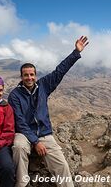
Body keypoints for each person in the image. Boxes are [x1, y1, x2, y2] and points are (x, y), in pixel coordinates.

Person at [8, 36, 89, 187]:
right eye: (26, 75)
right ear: (21, 77)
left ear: (35, 75)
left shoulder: (44, 86)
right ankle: (21, 184)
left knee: (62, 165)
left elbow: (60, 71)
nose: (29, 77)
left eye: (32, 74)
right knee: (18, 148)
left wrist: (75, 52)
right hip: (24, 134)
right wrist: (35, 142)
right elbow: (19, 121)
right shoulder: (15, 95)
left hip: (44, 133)